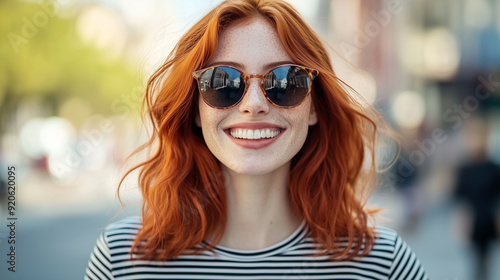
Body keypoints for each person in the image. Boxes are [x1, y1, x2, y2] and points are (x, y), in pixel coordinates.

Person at [85, 0, 428, 279]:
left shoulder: (382, 264)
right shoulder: (122, 260)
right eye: (223, 81)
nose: (253, 105)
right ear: (194, 110)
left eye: (285, 80)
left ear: (314, 108)